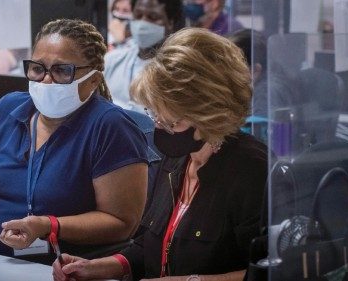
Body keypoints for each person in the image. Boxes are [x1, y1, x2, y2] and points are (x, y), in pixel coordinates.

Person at [52, 28, 268, 281]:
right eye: (155, 115)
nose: (160, 128)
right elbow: (150, 247)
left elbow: (264, 272)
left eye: (172, 123)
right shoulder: (177, 158)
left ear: (210, 115)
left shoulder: (251, 170)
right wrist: (98, 267)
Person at [0, 19, 149, 263]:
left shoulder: (110, 127)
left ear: (93, 80)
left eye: (61, 71)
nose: (46, 80)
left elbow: (122, 223)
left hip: (66, 268)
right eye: (37, 68)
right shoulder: (8, 108)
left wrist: (48, 226)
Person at [104, 0, 185, 113]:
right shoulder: (112, 60)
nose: (142, 23)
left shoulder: (178, 72)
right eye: (138, 15)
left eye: (152, 17)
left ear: (171, 22)